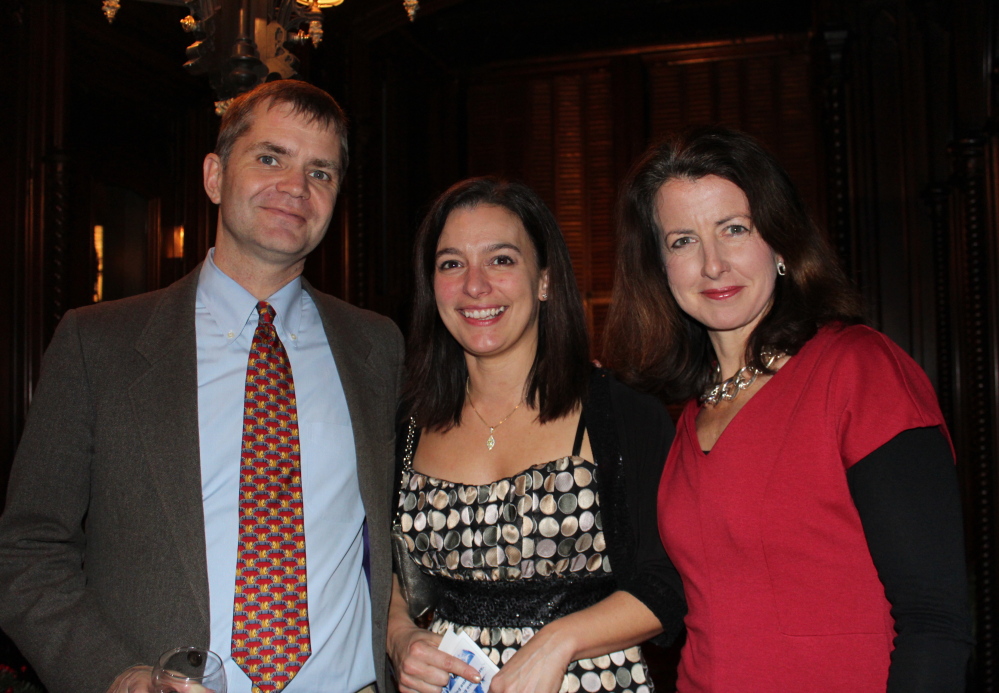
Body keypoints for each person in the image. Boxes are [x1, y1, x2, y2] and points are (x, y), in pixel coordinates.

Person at [0, 80, 403, 693]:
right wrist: (113, 677)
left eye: (320, 173)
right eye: (270, 158)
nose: (295, 187)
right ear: (215, 176)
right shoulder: (98, 344)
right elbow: (27, 550)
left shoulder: (377, 348)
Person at [604, 126, 974, 692]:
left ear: (778, 241)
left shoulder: (857, 372)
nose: (712, 264)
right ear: (658, 268)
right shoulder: (686, 417)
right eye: (682, 241)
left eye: (734, 229)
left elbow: (936, 621)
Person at [386, 177, 686, 693]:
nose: (475, 285)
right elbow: (389, 570)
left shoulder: (621, 414)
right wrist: (399, 639)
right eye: (451, 263)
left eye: (501, 260)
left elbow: (670, 581)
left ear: (544, 280)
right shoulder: (407, 422)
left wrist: (557, 641)